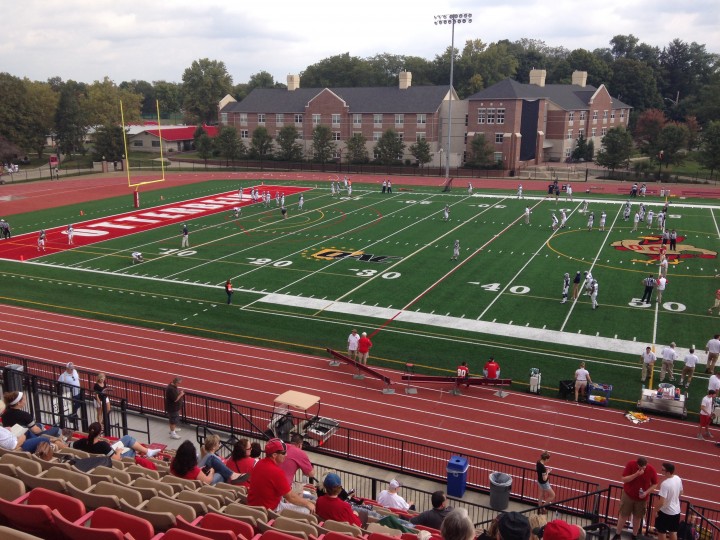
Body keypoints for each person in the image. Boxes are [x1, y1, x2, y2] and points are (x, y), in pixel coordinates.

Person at [247, 438, 315, 513]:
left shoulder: (259, 464)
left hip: (253, 506)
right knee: (307, 509)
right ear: (274, 455)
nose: (286, 455)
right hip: (270, 509)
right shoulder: (276, 472)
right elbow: (290, 497)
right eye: (283, 453)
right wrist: (307, 503)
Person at [611, 457, 658, 540]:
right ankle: (617, 534)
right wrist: (636, 474)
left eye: (644, 467)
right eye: (641, 467)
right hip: (628, 495)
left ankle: (634, 535)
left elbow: (655, 484)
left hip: (641, 499)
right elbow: (624, 479)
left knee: (638, 517)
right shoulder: (630, 464)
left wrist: (646, 492)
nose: (643, 469)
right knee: (623, 515)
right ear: (637, 464)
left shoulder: (651, 469)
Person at [74, 422, 161, 460]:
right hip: (109, 459)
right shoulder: (103, 445)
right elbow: (116, 459)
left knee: (127, 438)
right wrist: (118, 451)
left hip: (99, 455)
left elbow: (68, 446)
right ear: (100, 433)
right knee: (131, 449)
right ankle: (147, 452)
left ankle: (148, 451)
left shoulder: (82, 441)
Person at [654, 463, 683, 540]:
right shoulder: (678, 478)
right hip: (676, 511)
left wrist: (655, 510)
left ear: (668, 472)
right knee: (673, 531)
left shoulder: (665, 484)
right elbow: (681, 492)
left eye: (663, 470)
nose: (661, 471)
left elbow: (661, 502)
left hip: (665, 512)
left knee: (661, 531)